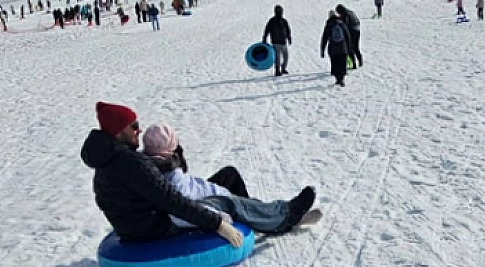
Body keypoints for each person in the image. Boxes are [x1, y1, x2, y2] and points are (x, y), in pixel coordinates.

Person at [80, 103, 314, 245]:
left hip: (141, 223)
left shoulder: (110, 158)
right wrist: (217, 224)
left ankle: (262, 215)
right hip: (155, 228)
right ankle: (284, 216)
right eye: (133, 126)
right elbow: (171, 201)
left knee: (226, 177)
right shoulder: (129, 162)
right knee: (225, 202)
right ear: (118, 131)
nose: (138, 130)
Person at [139, 124, 314, 233]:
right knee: (233, 203)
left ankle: (257, 211)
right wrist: (219, 219)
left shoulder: (151, 164)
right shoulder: (169, 179)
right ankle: (284, 216)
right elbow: (181, 207)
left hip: (200, 191)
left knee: (229, 174)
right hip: (205, 204)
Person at [320, 10, 349, 86]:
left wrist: (322, 50)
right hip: (342, 47)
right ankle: (342, 79)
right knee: (342, 64)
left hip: (333, 48)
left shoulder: (329, 25)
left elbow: (324, 38)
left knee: (335, 64)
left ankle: (337, 79)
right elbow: (347, 36)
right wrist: (349, 48)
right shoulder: (342, 23)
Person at [262, 5, 292, 76]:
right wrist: (264, 38)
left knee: (286, 56)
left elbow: (288, 30)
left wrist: (289, 37)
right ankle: (277, 70)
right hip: (276, 42)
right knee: (277, 57)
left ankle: (283, 68)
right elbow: (267, 30)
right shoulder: (272, 21)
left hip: (283, 42)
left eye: (280, 11)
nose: (280, 13)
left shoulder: (284, 21)